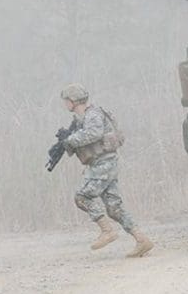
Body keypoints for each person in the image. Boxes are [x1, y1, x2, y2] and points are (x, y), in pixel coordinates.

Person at [59, 84, 153, 258]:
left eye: (66, 101)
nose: (65, 104)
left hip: (103, 163)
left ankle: (107, 230)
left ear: (73, 101)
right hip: (103, 163)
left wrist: (70, 140)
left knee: (82, 196)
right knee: (114, 207)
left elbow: (93, 134)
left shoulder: (92, 115)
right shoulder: (84, 117)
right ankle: (142, 240)